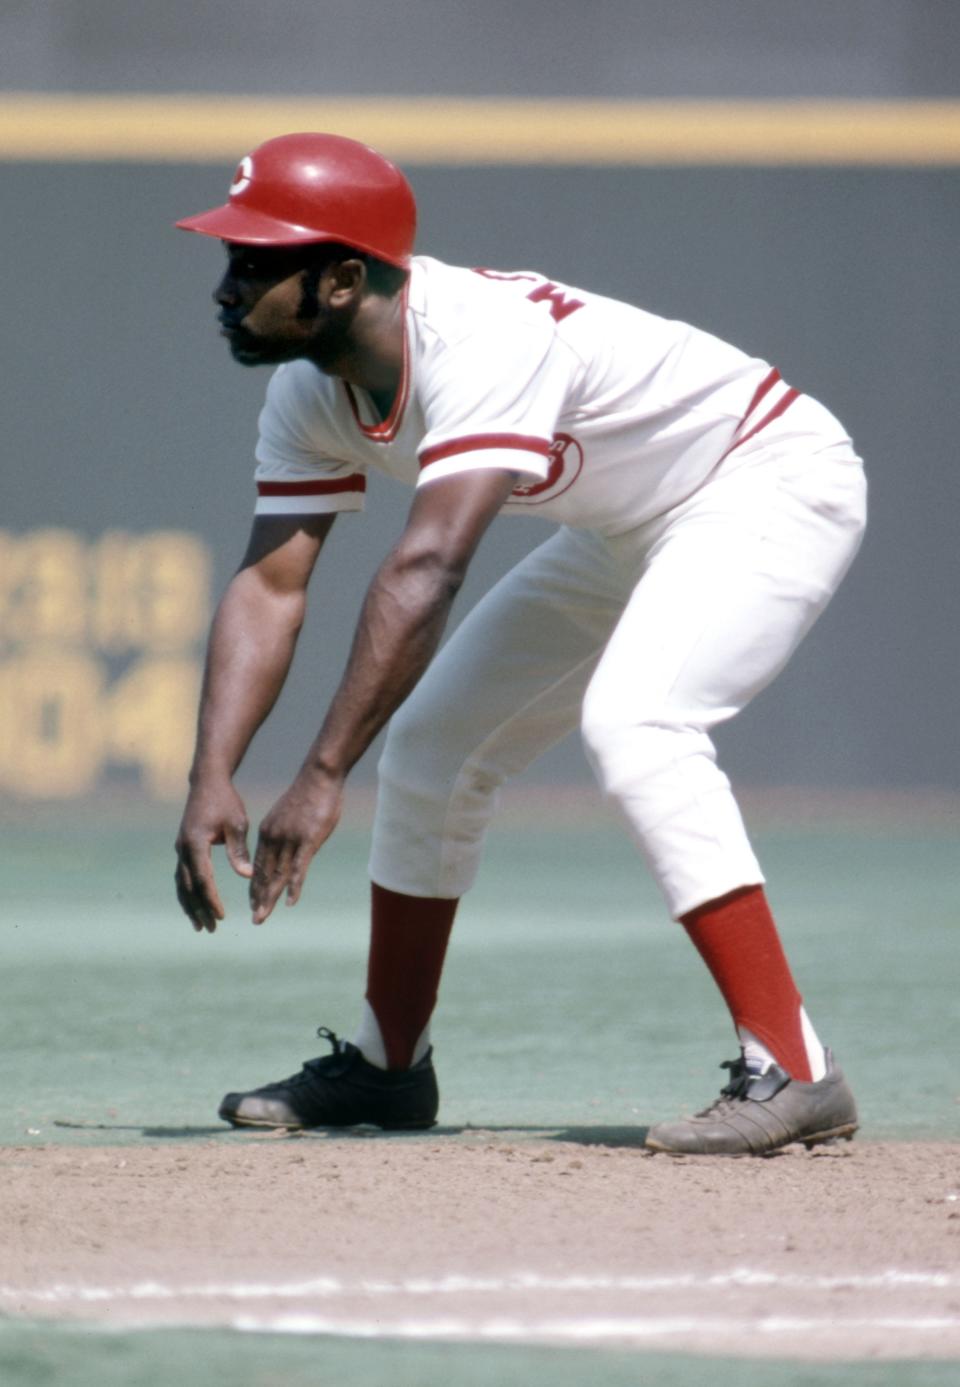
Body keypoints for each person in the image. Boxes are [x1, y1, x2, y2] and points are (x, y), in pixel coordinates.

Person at [174, 132, 866, 1155]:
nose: (228, 289)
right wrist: (211, 773)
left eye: (256, 264)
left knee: (639, 723)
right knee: (431, 750)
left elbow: (428, 568)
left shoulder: (477, 340)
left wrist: (321, 773)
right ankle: (389, 1066)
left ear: (341, 277)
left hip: (764, 479)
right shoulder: (309, 391)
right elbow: (272, 583)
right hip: (630, 527)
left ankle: (795, 1066)